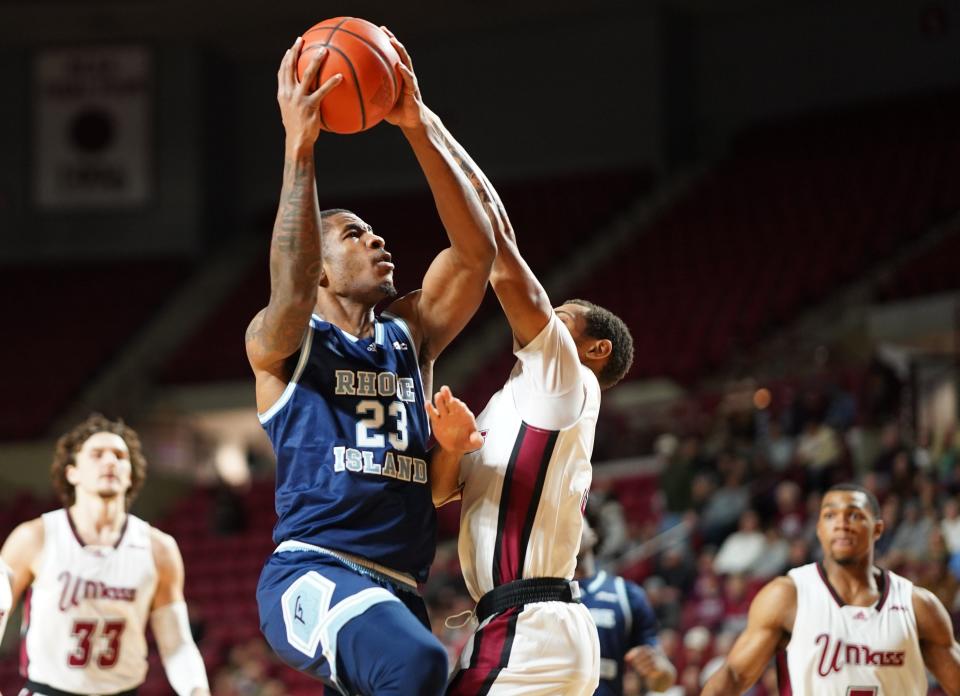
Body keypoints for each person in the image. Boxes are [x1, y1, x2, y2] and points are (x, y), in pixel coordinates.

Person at [246, 28, 496, 696]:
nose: (377, 238)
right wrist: (300, 147)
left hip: (399, 589)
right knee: (417, 665)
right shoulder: (285, 343)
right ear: (321, 271)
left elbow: (476, 256)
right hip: (313, 572)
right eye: (353, 235)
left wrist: (417, 125)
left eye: (375, 231)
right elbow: (291, 286)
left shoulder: (408, 335)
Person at [424, 115, 635, 695]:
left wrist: (424, 125)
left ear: (594, 348)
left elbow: (500, 254)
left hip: (531, 621)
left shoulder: (568, 379)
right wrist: (450, 449)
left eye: (560, 315)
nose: (546, 318)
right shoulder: (513, 407)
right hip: (519, 619)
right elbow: (441, 492)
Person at [0, 414, 210, 696]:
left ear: (131, 474)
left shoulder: (159, 549)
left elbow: (177, 644)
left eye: (120, 456)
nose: (110, 461)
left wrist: (197, 690)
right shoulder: (33, 537)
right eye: (97, 454)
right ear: (71, 472)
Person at [701, 482, 960, 695]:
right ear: (819, 530)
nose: (841, 523)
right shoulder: (789, 596)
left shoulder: (916, 604)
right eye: (830, 515)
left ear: (878, 529)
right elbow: (734, 676)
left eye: (855, 515)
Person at [576, 524, 676, 695]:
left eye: (578, 518)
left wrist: (657, 669)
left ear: (593, 534)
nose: (569, 524)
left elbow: (663, 679)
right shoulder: (539, 594)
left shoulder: (626, 593)